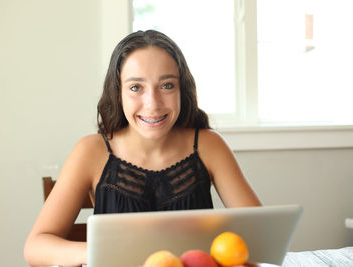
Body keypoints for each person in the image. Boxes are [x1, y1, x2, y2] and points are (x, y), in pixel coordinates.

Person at [23, 30, 261, 267]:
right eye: (136, 87)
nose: (153, 104)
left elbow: (262, 234)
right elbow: (36, 246)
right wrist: (103, 253)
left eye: (167, 85)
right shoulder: (91, 151)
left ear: (182, 90)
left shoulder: (209, 146)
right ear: (118, 93)